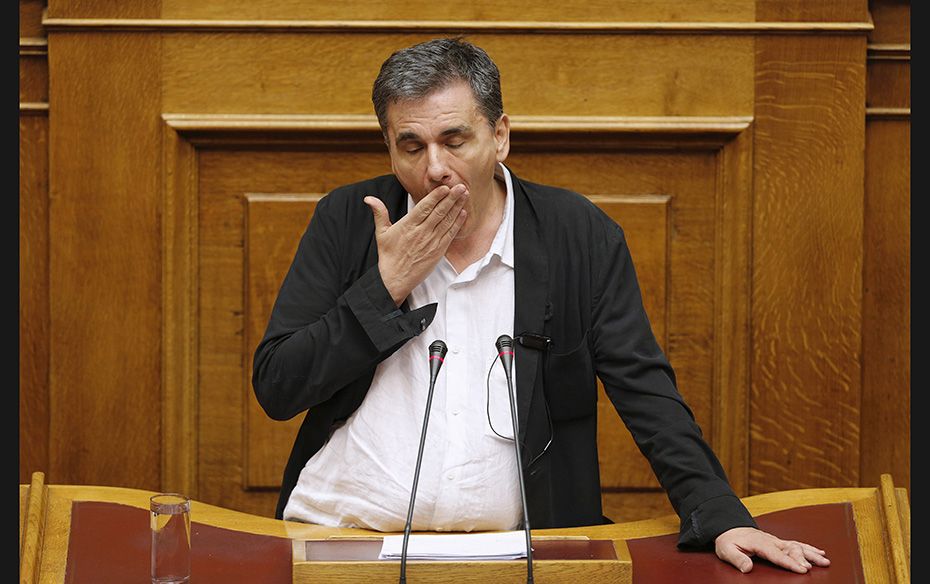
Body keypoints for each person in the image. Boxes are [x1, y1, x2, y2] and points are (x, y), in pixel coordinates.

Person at [252, 37, 830, 574]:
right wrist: (383, 289)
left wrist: (718, 512)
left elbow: (645, 388)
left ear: (499, 135)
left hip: (526, 550)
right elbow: (278, 386)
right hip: (344, 541)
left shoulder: (577, 234)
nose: (433, 168)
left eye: (455, 140)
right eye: (412, 146)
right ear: (389, 148)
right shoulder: (347, 220)